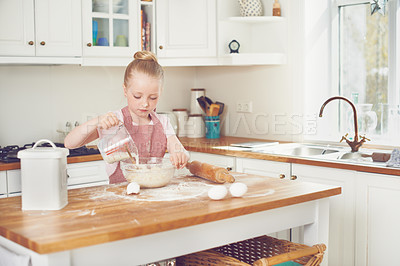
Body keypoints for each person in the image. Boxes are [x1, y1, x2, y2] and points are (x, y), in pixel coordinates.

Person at [64, 51, 189, 184]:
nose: (145, 103)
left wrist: (180, 154)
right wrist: (97, 121)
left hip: (153, 192)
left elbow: (177, 147)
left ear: (160, 93)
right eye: (137, 96)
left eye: (153, 97)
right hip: (120, 194)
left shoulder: (163, 122)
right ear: (125, 90)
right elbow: (70, 143)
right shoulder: (114, 121)